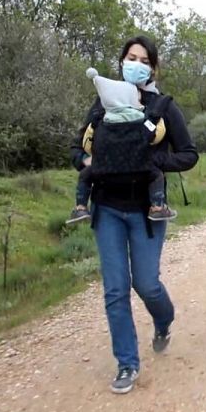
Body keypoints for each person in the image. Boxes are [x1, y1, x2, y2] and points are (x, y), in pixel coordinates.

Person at [70, 35, 198, 393]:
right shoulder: (103, 103)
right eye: (130, 57)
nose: (135, 63)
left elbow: (189, 154)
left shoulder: (163, 106)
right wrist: (88, 162)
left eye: (143, 59)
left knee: (146, 284)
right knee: (115, 290)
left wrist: (151, 159)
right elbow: (75, 149)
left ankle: (164, 319)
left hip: (148, 211)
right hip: (107, 208)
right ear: (121, 61)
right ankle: (127, 364)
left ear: (152, 68)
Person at [67, 69, 175, 225]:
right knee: (157, 175)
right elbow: (155, 135)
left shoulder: (101, 121)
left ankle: (81, 207)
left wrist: (93, 157)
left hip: (104, 170)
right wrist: (159, 122)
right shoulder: (141, 120)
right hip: (138, 169)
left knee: (85, 175)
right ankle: (157, 207)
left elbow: (87, 143)